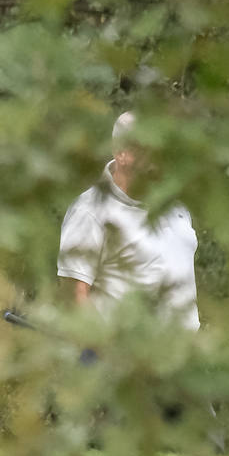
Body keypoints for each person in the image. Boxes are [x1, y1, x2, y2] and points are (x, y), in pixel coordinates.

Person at [57, 111, 200, 332]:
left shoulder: (176, 207)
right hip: (126, 360)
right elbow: (74, 294)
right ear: (121, 153)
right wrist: (100, 348)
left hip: (187, 358)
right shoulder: (90, 210)